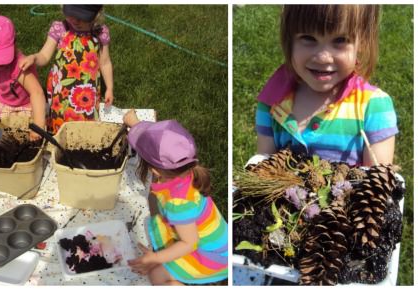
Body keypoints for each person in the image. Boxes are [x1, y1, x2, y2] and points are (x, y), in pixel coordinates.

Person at [255, 5, 398, 166]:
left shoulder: (373, 106)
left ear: (362, 41)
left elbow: (378, 181)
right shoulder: (272, 103)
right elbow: (262, 172)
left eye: (340, 40)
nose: (323, 57)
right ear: (290, 39)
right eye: (308, 38)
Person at [123, 110, 228, 285]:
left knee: (156, 275)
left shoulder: (178, 202)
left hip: (211, 257)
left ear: (155, 171)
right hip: (210, 242)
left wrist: (155, 258)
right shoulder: (186, 168)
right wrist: (135, 124)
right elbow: (155, 141)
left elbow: (189, 243)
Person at [19, 5, 114, 134]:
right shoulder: (60, 28)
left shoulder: (99, 33)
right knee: (60, 117)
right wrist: (34, 58)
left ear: (96, 14)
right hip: (61, 90)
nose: (75, 21)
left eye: (82, 18)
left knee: (85, 126)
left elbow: (105, 62)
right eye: (71, 15)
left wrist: (109, 88)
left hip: (87, 92)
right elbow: (45, 55)